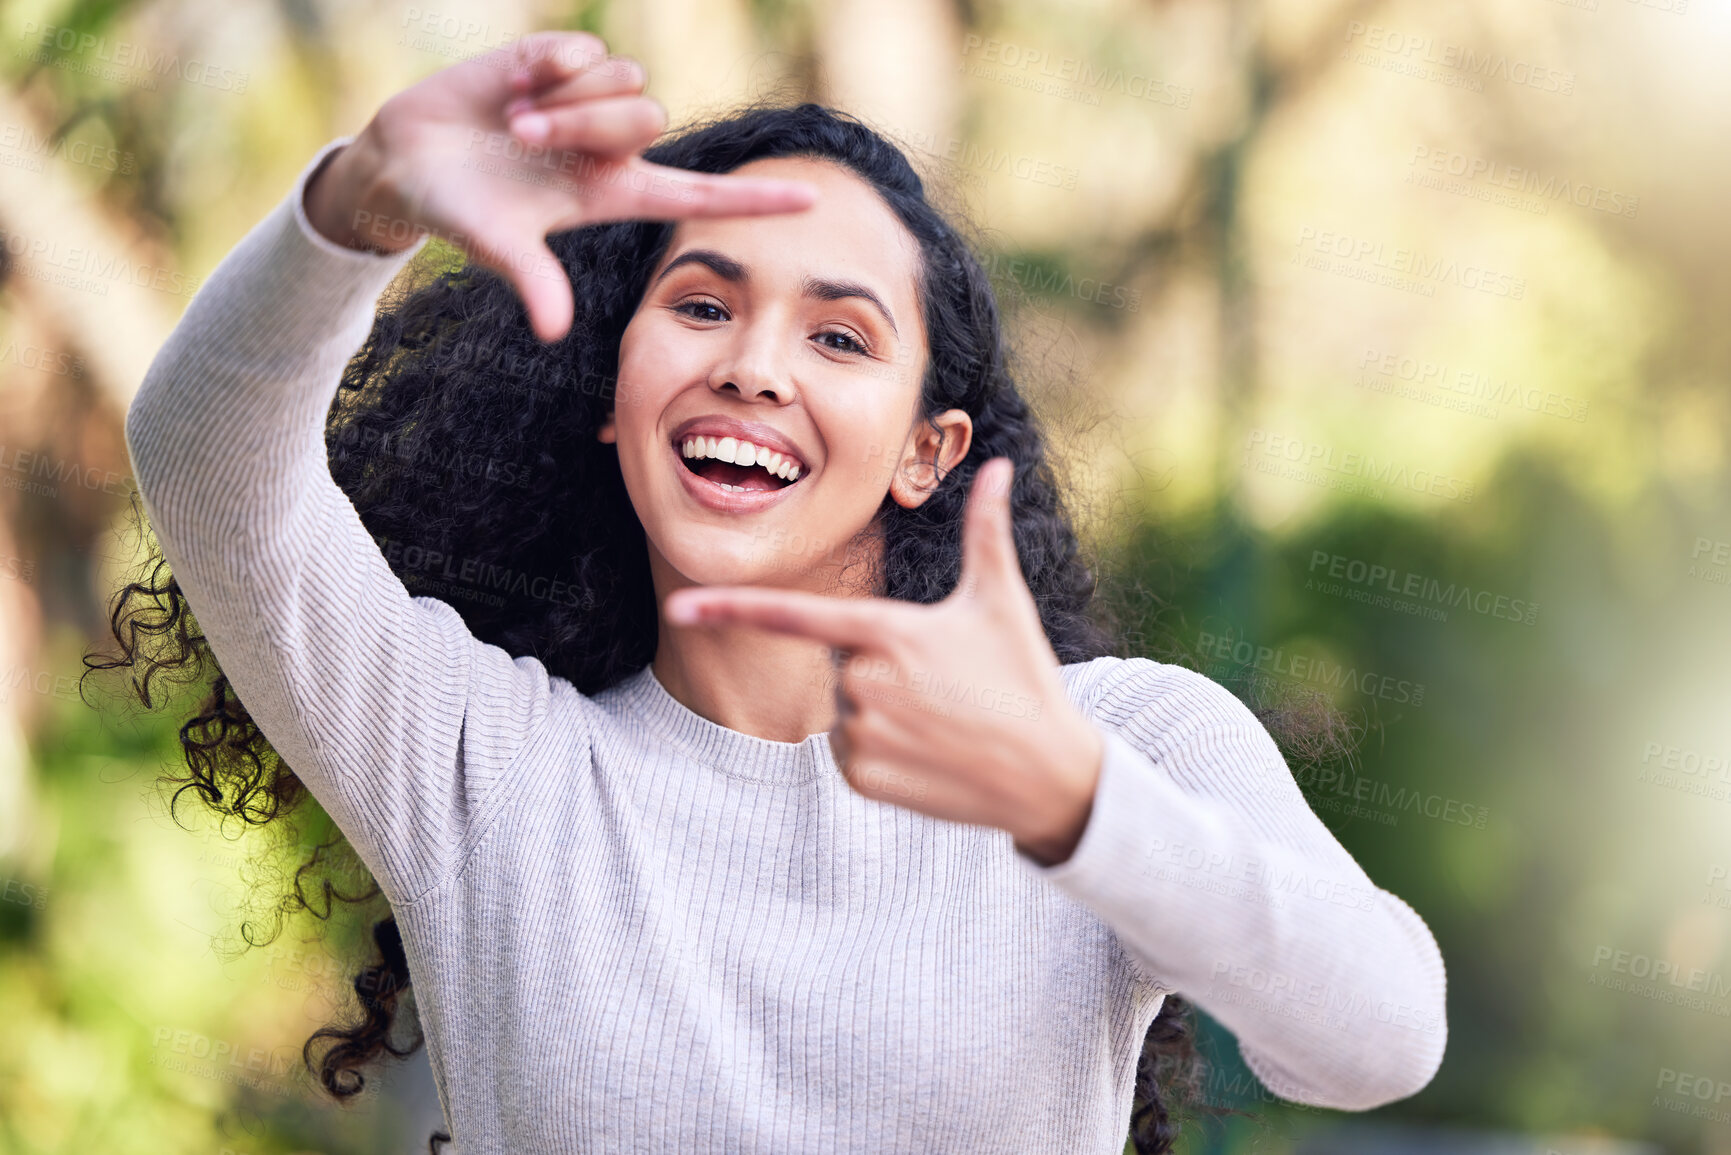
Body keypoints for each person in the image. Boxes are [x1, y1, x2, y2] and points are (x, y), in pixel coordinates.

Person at [110, 29, 1446, 1155]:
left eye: (840, 336)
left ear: (928, 453)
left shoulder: (1122, 741)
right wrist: (363, 204)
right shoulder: (482, 761)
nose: (754, 365)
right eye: (701, 305)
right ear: (611, 400)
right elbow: (207, 463)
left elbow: (1378, 1038)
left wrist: (1070, 803)